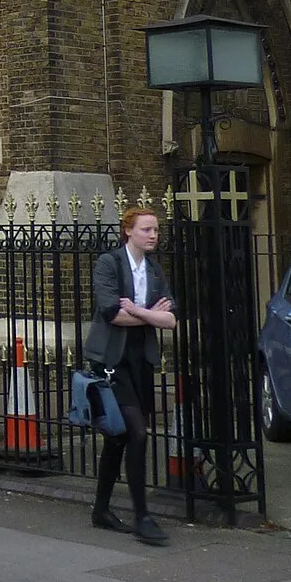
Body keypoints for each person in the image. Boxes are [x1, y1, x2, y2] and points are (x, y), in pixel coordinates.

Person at [83, 206, 177, 545]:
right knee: (137, 433)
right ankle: (142, 516)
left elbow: (171, 320)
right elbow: (112, 314)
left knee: (119, 437)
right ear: (129, 232)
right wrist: (150, 315)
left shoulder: (153, 270)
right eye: (147, 229)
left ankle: (101, 510)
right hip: (113, 359)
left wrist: (138, 310)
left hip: (142, 360)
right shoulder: (109, 263)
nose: (153, 235)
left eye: (156, 230)